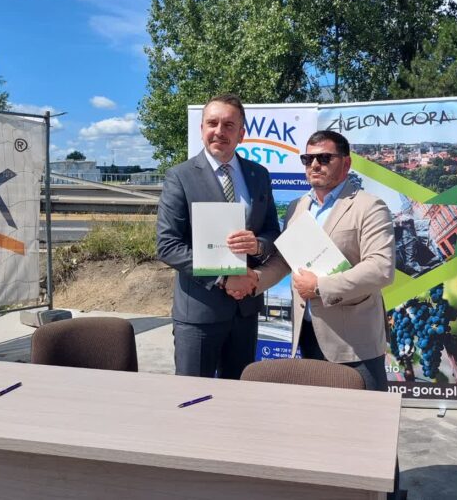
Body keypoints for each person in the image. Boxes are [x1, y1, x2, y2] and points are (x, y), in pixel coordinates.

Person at [229, 130, 395, 391]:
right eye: (308, 159)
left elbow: (380, 268)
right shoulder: (297, 207)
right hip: (308, 334)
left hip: (354, 342)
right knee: (318, 412)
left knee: (363, 414)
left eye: (325, 158)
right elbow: (286, 260)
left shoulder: (369, 207)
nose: (315, 165)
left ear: (346, 163)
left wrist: (319, 287)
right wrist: (255, 280)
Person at [156, 93, 279, 379]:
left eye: (229, 125)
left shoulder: (259, 175)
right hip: (199, 313)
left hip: (245, 310)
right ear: (202, 129)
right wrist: (223, 278)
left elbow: (273, 230)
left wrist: (258, 245)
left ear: (241, 134)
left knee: (238, 397)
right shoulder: (180, 177)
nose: (219, 131)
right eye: (212, 123)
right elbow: (168, 245)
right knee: (192, 396)